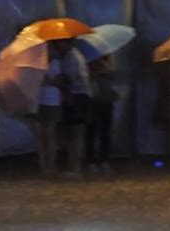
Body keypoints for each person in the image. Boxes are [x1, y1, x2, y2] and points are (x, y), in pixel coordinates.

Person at [56, 40, 92, 178]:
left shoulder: (72, 57)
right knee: (75, 134)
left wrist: (60, 81)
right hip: (79, 96)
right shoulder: (75, 56)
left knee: (75, 134)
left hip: (77, 97)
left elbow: (70, 79)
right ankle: (75, 166)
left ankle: (75, 167)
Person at [33, 43, 64, 178]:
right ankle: (43, 166)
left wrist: (48, 81)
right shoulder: (35, 62)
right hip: (38, 101)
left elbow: (60, 82)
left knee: (50, 135)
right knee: (40, 135)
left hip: (52, 100)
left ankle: (51, 166)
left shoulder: (56, 63)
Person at [86, 55, 117, 176]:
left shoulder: (107, 57)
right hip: (91, 99)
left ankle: (104, 160)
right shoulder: (87, 58)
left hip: (105, 99)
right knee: (91, 132)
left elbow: (113, 72)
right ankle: (91, 162)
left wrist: (102, 68)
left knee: (105, 132)